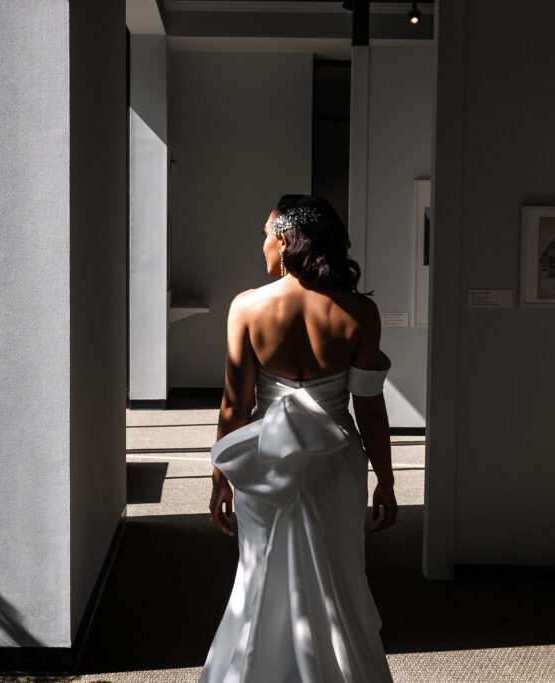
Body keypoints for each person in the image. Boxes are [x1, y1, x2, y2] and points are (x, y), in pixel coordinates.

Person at [199, 194, 397, 683]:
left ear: (285, 241)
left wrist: (221, 477)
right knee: (337, 574)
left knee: (259, 576)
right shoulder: (360, 314)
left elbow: (234, 406)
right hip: (337, 462)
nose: (262, 245)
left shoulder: (246, 307)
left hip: (265, 461)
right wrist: (387, 482)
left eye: (266, 234)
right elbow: (369, 409)